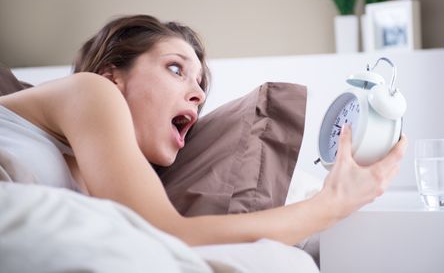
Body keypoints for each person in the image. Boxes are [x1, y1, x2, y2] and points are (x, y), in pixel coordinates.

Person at [0, 14, 407, 246]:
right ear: (113, 76)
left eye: (200, 85)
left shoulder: (97, 177)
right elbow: (171, 233)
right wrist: (330, 205)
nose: (196, 94)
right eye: (176, 69)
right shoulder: (92, 91)